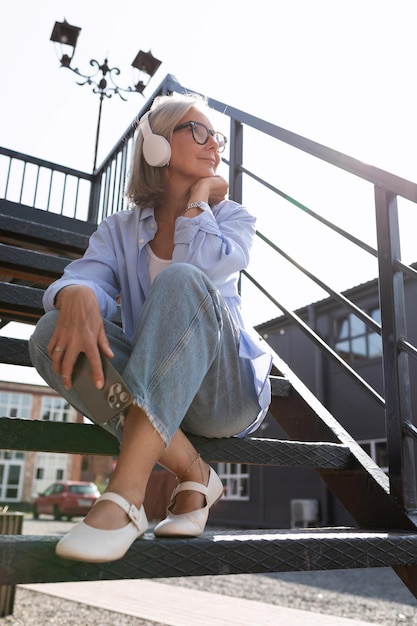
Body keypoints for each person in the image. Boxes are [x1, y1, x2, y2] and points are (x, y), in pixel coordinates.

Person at [29, 92, 272, 563]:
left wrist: (199, 200)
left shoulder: (234, 219)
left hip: (224, 395)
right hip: (159, 386)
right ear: (157, 145)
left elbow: (202, 265)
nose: (213, 145)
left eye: (216, 136)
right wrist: (75, 291)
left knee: (182, 279)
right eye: (197, 131)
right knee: (48, 333)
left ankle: (125, 497)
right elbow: (83, 276)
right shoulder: (120, 228)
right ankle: (192, 470)